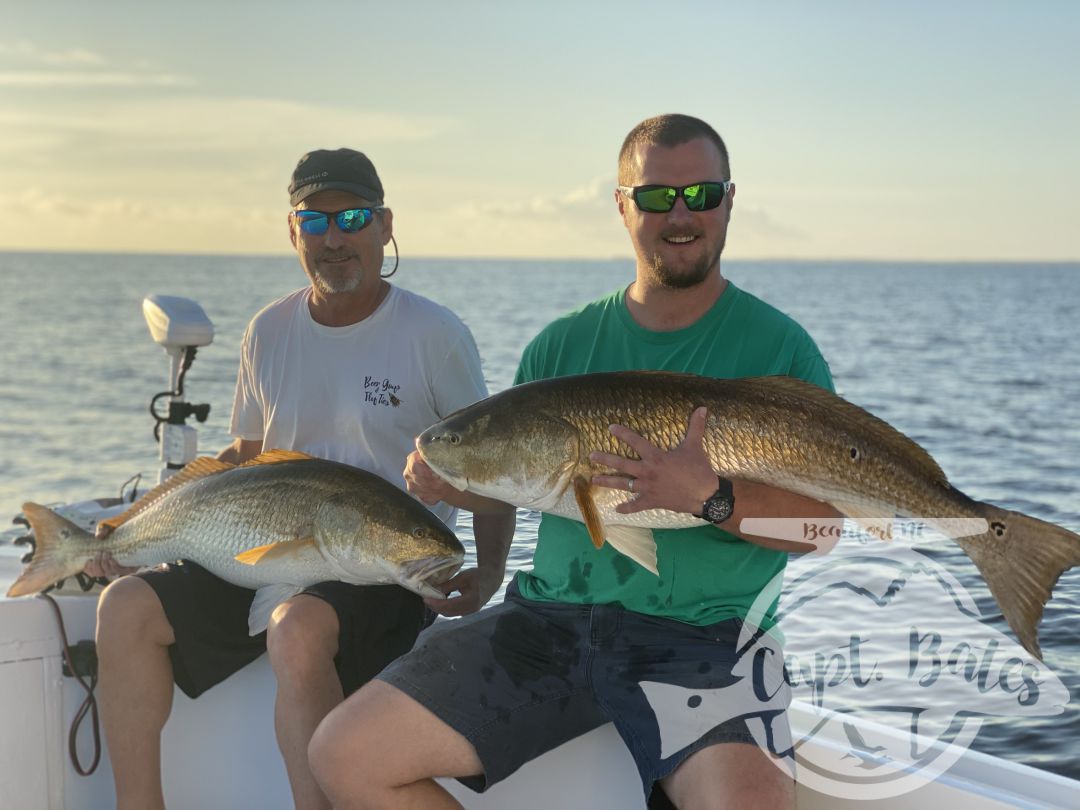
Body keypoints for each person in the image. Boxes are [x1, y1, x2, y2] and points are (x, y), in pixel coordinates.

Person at [308, 115, 842, 810]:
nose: (680, 215)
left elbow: (822, 532)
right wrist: (456, 485)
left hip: (708, 641)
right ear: (621, 206)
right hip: (547, 626)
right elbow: (531, 489)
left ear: (730, 201)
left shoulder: (782, 353)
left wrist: (711, 497)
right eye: (655, 198)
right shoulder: (560, 347)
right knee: (343, 755)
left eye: (701, 195)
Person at [86, 148, 516, 810]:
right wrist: (130, 526)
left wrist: (486, 576)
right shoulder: (268, 330)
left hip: (375, 568)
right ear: (293, 233)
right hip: (263, 549)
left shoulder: (433, 334)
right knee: (125, 608)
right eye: (314, 223)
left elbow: (492, 471)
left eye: (352, 218)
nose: (335, 238)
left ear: (385, 225)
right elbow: (244, 459)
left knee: (297, 628)